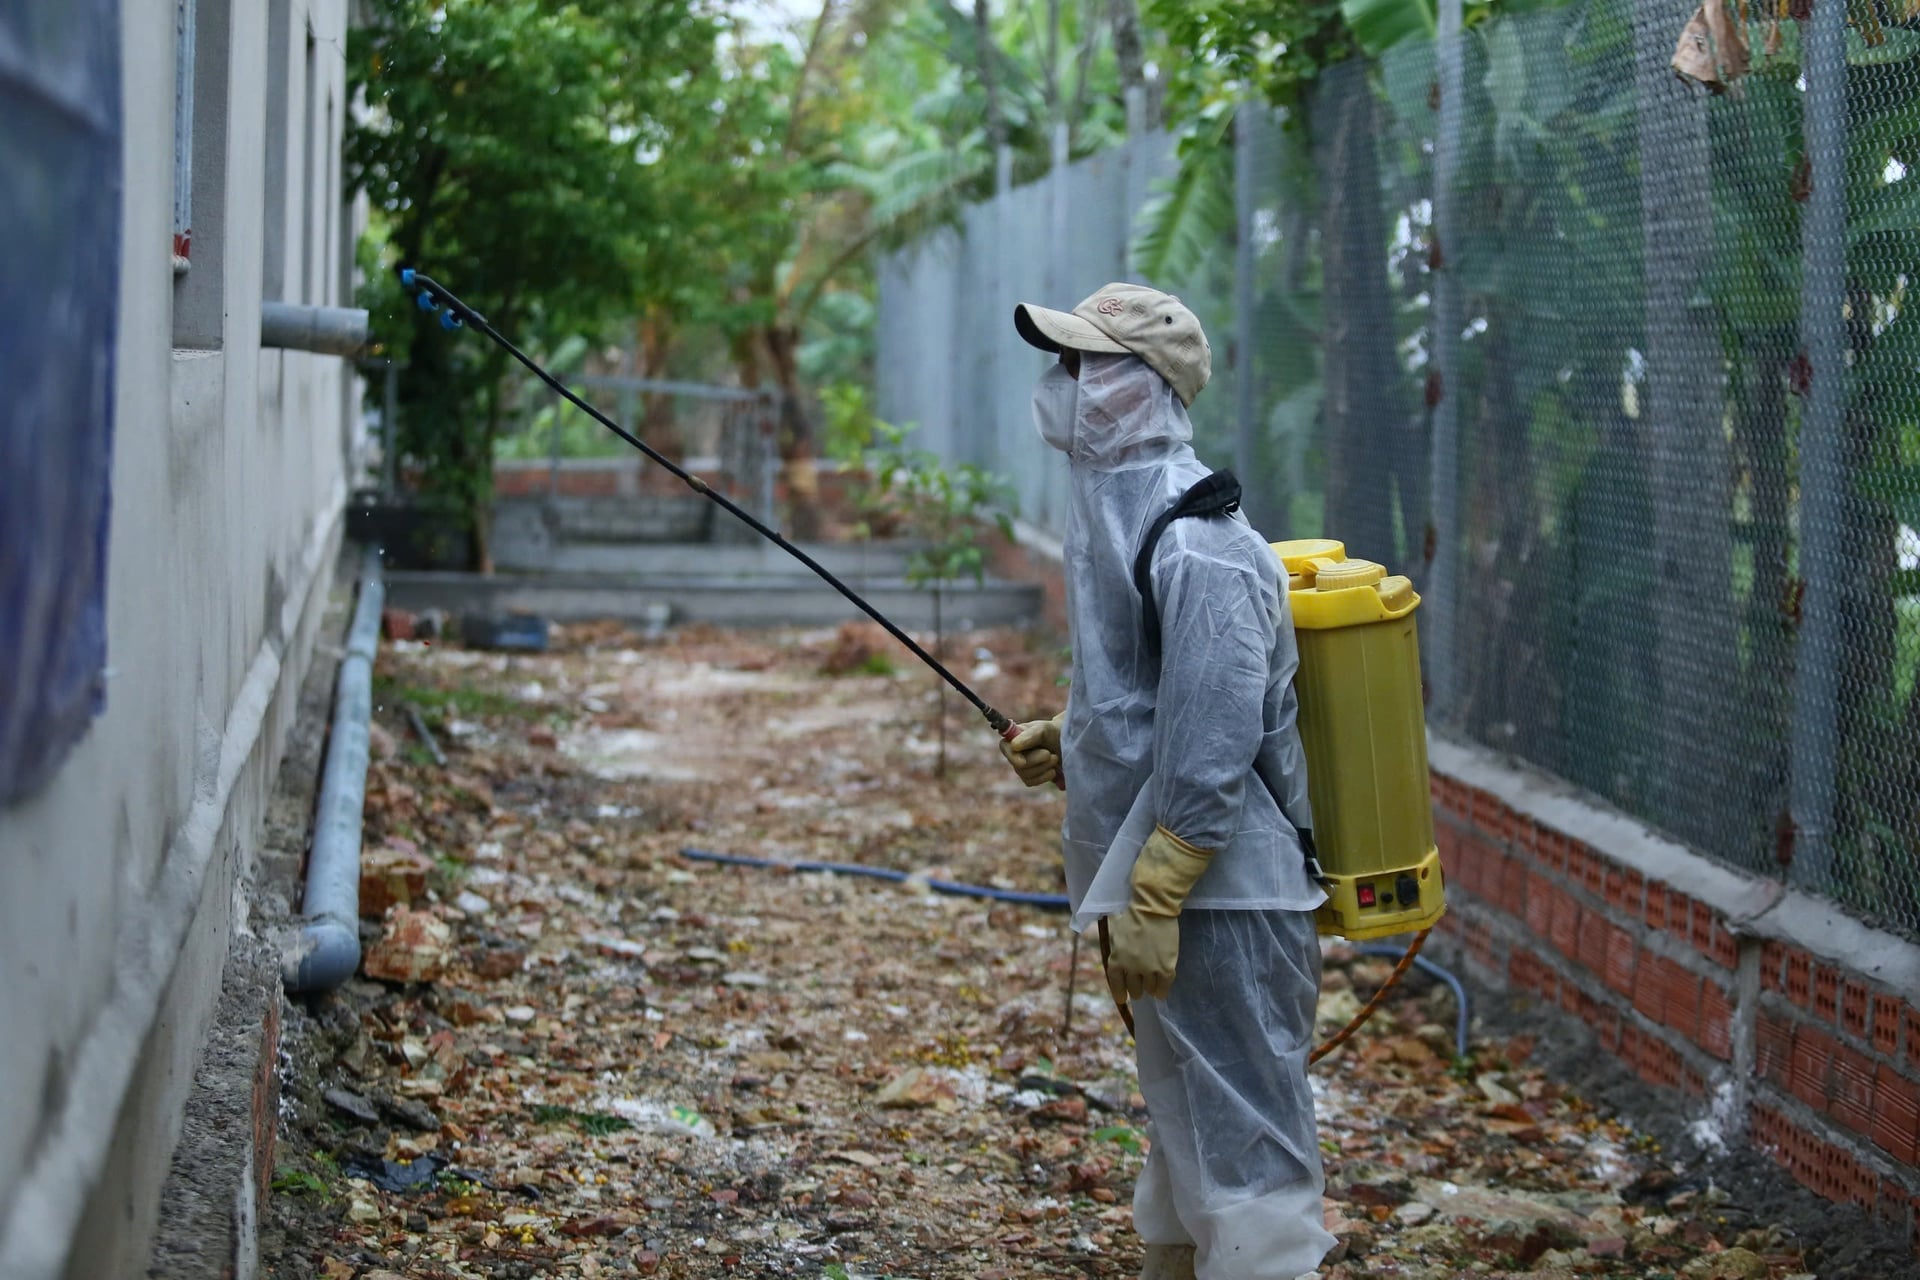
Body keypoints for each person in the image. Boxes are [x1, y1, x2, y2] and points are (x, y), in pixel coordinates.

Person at [998, 284, 1335, 1280]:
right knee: (1186, 1101)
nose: (1062, 387)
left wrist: (1159, 883)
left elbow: (1219, 727)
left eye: (1082, 366)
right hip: (1174, 883)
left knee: (1245, 1125)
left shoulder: (1202, 540)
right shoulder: (1123, 515)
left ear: (1141, 391)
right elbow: (1161, 689)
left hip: (1221, 890)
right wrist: (1072, 736)